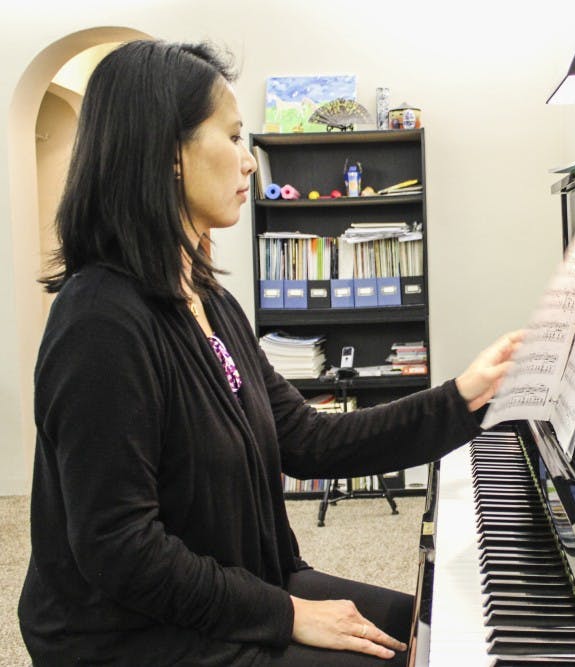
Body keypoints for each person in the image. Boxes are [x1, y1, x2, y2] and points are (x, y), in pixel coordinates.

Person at [18, 39, 521, 667]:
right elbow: (119, 547)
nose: (251, 161)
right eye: (232, 138)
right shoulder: (99, 322)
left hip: (239, 592)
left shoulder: (209, 300)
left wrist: (464, 395)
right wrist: (286, 615)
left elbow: (308, 438)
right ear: (170, 153)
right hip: (133, 637)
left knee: (438, 629)